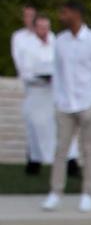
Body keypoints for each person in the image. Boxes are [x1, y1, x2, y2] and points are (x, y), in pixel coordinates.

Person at [43, 2, 91, 213]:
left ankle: (88, 194)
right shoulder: (60, 41)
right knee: (60, 150)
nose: (61, 16)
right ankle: (55, 193)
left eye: (64, 12)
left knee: (89, 150)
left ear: (76, 14)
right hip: (65, 105)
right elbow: (57, 73)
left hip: (87, 104)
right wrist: (57, 100)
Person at [17, 12, 57, 177]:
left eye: (46, 27)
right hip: (36, 92)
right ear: (34, 28)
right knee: (35, 129)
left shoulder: (55, 42)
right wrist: (41, 78)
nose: (44, 30)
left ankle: (68, 164)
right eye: (41, 27)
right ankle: (34, 163)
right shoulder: (27, 46)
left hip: (53, 94)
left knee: (56, 130)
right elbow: (25, 72)